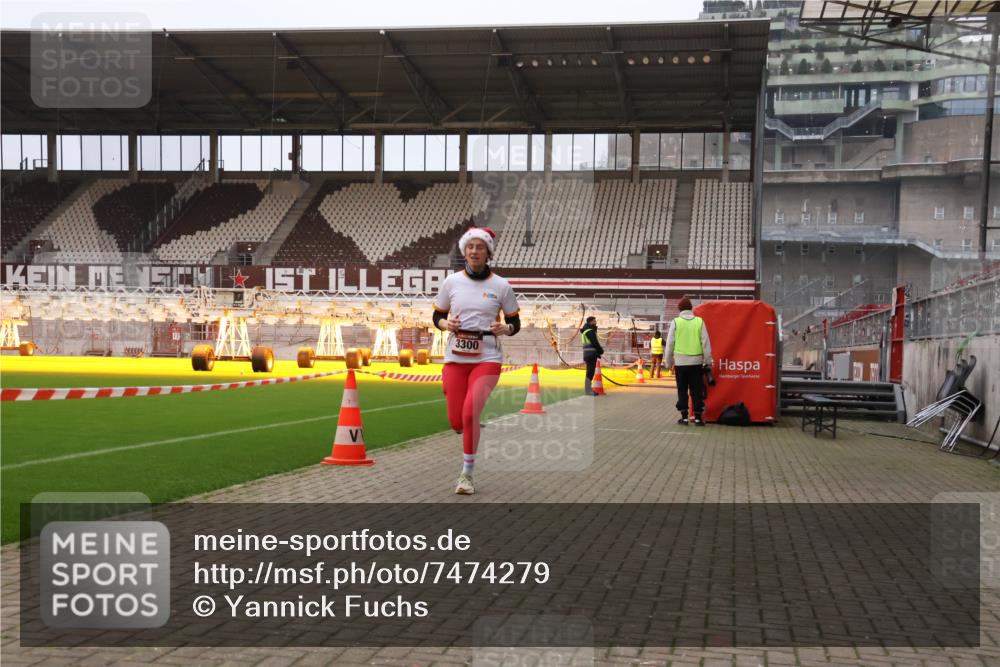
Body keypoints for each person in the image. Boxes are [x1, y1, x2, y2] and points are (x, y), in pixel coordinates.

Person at [432, 227, 520, 495]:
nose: (474, 251)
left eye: (480, 247)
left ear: (488, 252)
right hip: (455, 356)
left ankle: (467, 475)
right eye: (470, 247)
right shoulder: (451, 282)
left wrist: (506, 329)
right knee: (456, 420)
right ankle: (464, 430)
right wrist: (447, 323)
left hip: (488, 357)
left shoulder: (501, 286)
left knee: (470, 414)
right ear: (464, 251)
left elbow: (515, 322)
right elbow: (437, 317)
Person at [664, 297, 713, 426]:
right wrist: (708, 361)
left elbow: (670, 344)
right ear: (691, 308)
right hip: (696, 362)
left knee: (682, 390)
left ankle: (684, 417)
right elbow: (706, 343)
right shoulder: (699, 321)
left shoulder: (676, 322)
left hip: (680, 363)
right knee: (696, 390)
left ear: (680, 309)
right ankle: (697, 417)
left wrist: (668, 363)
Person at [580, 316, 604, 396]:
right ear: (590, 322)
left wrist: (597, 353)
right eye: (594, 321)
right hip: (591, 354)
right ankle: (588, 390)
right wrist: (600, 351)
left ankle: (588, 390)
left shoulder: (586, 331)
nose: (596, 322)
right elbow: (595, 343)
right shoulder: (590, 331)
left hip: (588, 354)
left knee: (589, 372)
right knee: (590, 372)